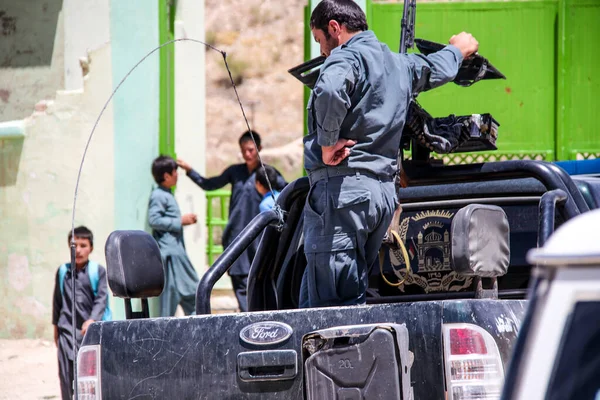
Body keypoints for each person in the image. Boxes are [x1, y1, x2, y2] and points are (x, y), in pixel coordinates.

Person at [300, 0, 479, 308]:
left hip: (343, 194)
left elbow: (329, 90)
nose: (322, 52)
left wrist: (327, 144)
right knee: (348, 297)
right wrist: (458, 50)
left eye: (320, 41)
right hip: (380, 197)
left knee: (327, 309)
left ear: (335, 28)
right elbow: (434, 68)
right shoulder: (399, 64)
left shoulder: (346, 58)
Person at [177, 130, 287, 312]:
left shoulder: (268, 173)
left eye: (251, 150)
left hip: (260, 236)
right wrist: (190, 171)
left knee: (263, 277)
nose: (248, 154)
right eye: (244, 150)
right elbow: (209, 184)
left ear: (259, 149)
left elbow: (286, 192)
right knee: (240, 281)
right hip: (238, 235)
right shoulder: (235, 172)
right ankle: (246, 319)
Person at [52, 226, 109, 400]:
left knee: (91, 377)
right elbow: (57, 302)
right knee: (66, 375)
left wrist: (92, 319)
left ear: (91, 247)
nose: (78, 250)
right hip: (67, 333)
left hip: (89, 333)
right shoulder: (63, 271)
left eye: (83, 245)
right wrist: (56, 329)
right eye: (74, 245)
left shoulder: (97, 271)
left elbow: (101, 299)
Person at [148, 155, 199, 317]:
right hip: (170, 255)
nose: (177, 175)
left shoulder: (166, 194)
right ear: (166, 176)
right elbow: (154, 219)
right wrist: (180, 221)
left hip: (176, 253)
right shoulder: (159, 195)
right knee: (173, 297)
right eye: (175, 172)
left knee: (192, 292)